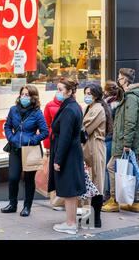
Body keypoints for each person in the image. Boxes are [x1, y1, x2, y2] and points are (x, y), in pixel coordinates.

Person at [1, 85, 48, 217]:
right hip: (15, 148)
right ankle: (12, 204)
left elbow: (45, 132)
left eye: (27, 95)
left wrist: (32, 140)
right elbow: (7, 126)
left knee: (28, 179)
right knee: (13, 177)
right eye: (22, 94)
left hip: (30, 150)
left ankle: (27, 207)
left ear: (33, 97)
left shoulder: (37, 112)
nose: (24, 97)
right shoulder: (13, 110)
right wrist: (11, 138)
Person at [48, 78, 86, 235]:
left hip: (68, 154)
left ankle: (70, 224)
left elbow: (65, 136)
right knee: (71, 190)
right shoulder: (73, 106)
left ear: (69, 91)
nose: (58, 92)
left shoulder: (70, 109)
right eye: (57, 89)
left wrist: (58, 160)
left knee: (69, 190)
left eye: (60, 89)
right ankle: (70, 222)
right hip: (73, 152)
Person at [102, 68, 139, 213]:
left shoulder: (130, 97)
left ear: (125, 79)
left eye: (120, 77)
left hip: (126, 142)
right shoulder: (128, 95)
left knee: (112, 166)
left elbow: (130, 121)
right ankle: (133, 200)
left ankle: (114, 200)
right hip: (125, 141)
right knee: (132, 170)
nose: (118, 80)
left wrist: (127, 144)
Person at [82, 84, 113, 228]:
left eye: (89, 93)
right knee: (88, 181)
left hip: (95, 147)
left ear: (96, 95)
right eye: (85, 93)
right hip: (88, 147)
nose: (87, 96)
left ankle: (96, 219)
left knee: (96, 182)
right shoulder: (89, 107)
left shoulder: (98, 109)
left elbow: (85, 128)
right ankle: (87, 218)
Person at [43, 91, 63, 210]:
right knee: (53, 172)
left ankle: (64, 199)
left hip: (65, 142)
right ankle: (54, 201)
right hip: (53, 141)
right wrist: (46, 145)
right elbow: (46, 126)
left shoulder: (72, 105)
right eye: (58, 90)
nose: (59, 93)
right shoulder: (50, 105)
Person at [103, 81, 122, 201]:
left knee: (107, 167)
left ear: (106, 91)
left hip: (109, 138)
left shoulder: (108, 104)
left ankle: (109, 194)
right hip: (114, 138)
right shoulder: (119, 103)